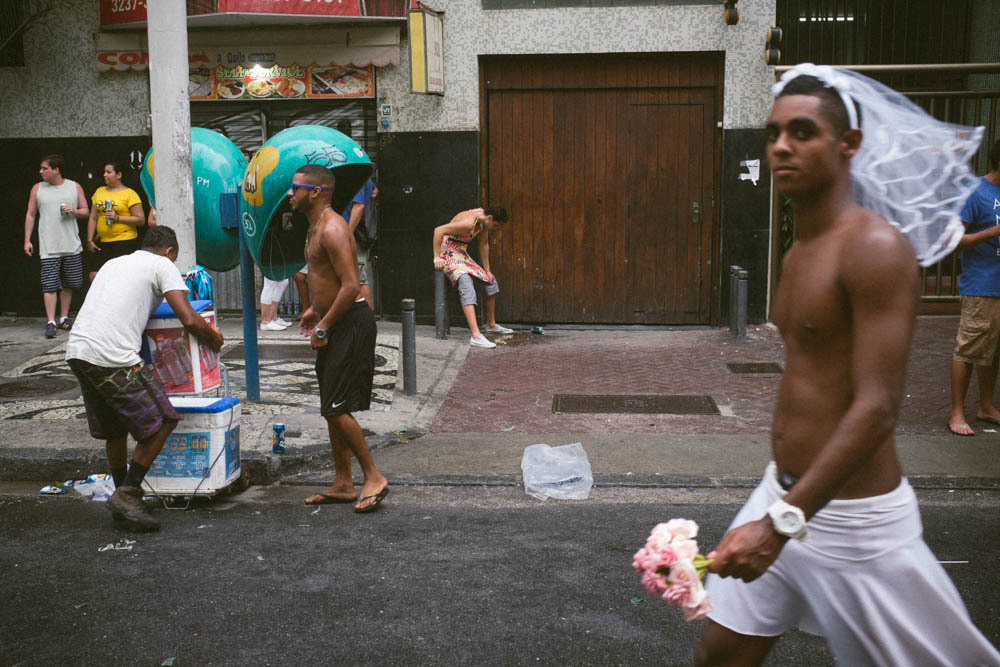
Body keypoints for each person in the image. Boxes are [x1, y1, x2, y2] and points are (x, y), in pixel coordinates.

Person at [695, 68, 1000, 666]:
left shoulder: (875, 248)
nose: (782, 145)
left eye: (803, 132)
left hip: (854, 522)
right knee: (719, 657)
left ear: (848, 145)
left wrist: (780, 525)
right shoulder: (798, 250)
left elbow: (878, 407)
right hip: (781, 492)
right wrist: (778, 511)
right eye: (774, 132)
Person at [65, 225, 224, 532]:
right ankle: (129, 492)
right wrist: (213, 339)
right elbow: (188, 318)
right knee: (165, 418)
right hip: (112, 357)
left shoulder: (115, 263)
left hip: (78, 350)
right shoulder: (162, 265)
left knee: (115, 428)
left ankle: (120, 498)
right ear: (170, 251)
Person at [292, 164, 389, 513]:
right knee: (331, 406)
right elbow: (327, 280)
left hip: (351, 323)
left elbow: (351, 285)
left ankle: (373, 477)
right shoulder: (316, 226)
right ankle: (344, 483)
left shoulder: (332, 228)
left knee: (336, 408)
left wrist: (324, 326)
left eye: (295, 188)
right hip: (337, 320)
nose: (291, 195)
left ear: (315, 192)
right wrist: (314, 310)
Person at [948, 139, 1000, 436]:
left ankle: (987, 406)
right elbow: (956, 241)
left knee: (993, 352)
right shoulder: (975, 192)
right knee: (968, 349)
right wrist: (994, 230)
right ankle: (957, 412)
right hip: (981, 286)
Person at [23, 154, 88, 339]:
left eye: (44, 168)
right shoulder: (37, 188)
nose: (41, 171)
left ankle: (64, 318)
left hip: (71, 244)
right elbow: (30, 214)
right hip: (48, 245)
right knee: (49, 285)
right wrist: (27, 240)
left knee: (69, 283)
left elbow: (86, 211)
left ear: (56, 169)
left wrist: (74, 211)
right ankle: (51, 321)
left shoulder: (74, 186)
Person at [432, 206, 513, 348]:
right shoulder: (469, 223)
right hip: (448, 252)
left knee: (490, 281)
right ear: (490, 218)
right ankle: (476, 336)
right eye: (496, 225)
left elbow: (484, 244)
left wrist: (487, 271)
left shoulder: (483, 220)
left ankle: (491, 324)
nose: (496, 228)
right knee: (466, 283)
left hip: (461, 252)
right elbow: (439, 230)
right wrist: (436, 257)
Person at [86, 161, 145, 282]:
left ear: (118, 175)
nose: (105, 175)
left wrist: (118, 218)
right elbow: (93, 217)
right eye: (104, 172)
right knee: (94, 276)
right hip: (102, 242)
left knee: (121, 277)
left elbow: (140, 220)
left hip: (124, 241)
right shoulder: (99, 191)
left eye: (109, 172)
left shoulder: (130, 194)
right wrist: (89, 239)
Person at [342, 177, 376, 309]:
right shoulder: (363, 178)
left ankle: (366, 317)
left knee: (359, 277)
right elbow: (374, 191)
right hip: (352, 234)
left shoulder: (357, 178)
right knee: (356, 275)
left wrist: (348, 233)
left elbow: (359, 206)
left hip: (353, 235)